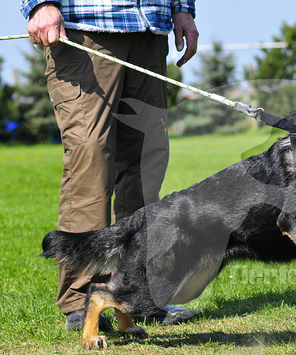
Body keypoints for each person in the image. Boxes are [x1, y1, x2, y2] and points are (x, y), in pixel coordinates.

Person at [20, 0, 198, 330]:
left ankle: (136, 294)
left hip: (149, 28)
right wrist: (39, 3)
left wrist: (182, 8)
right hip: (85, 30)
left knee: (145, 161)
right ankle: (83, 297)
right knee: (90, 160)